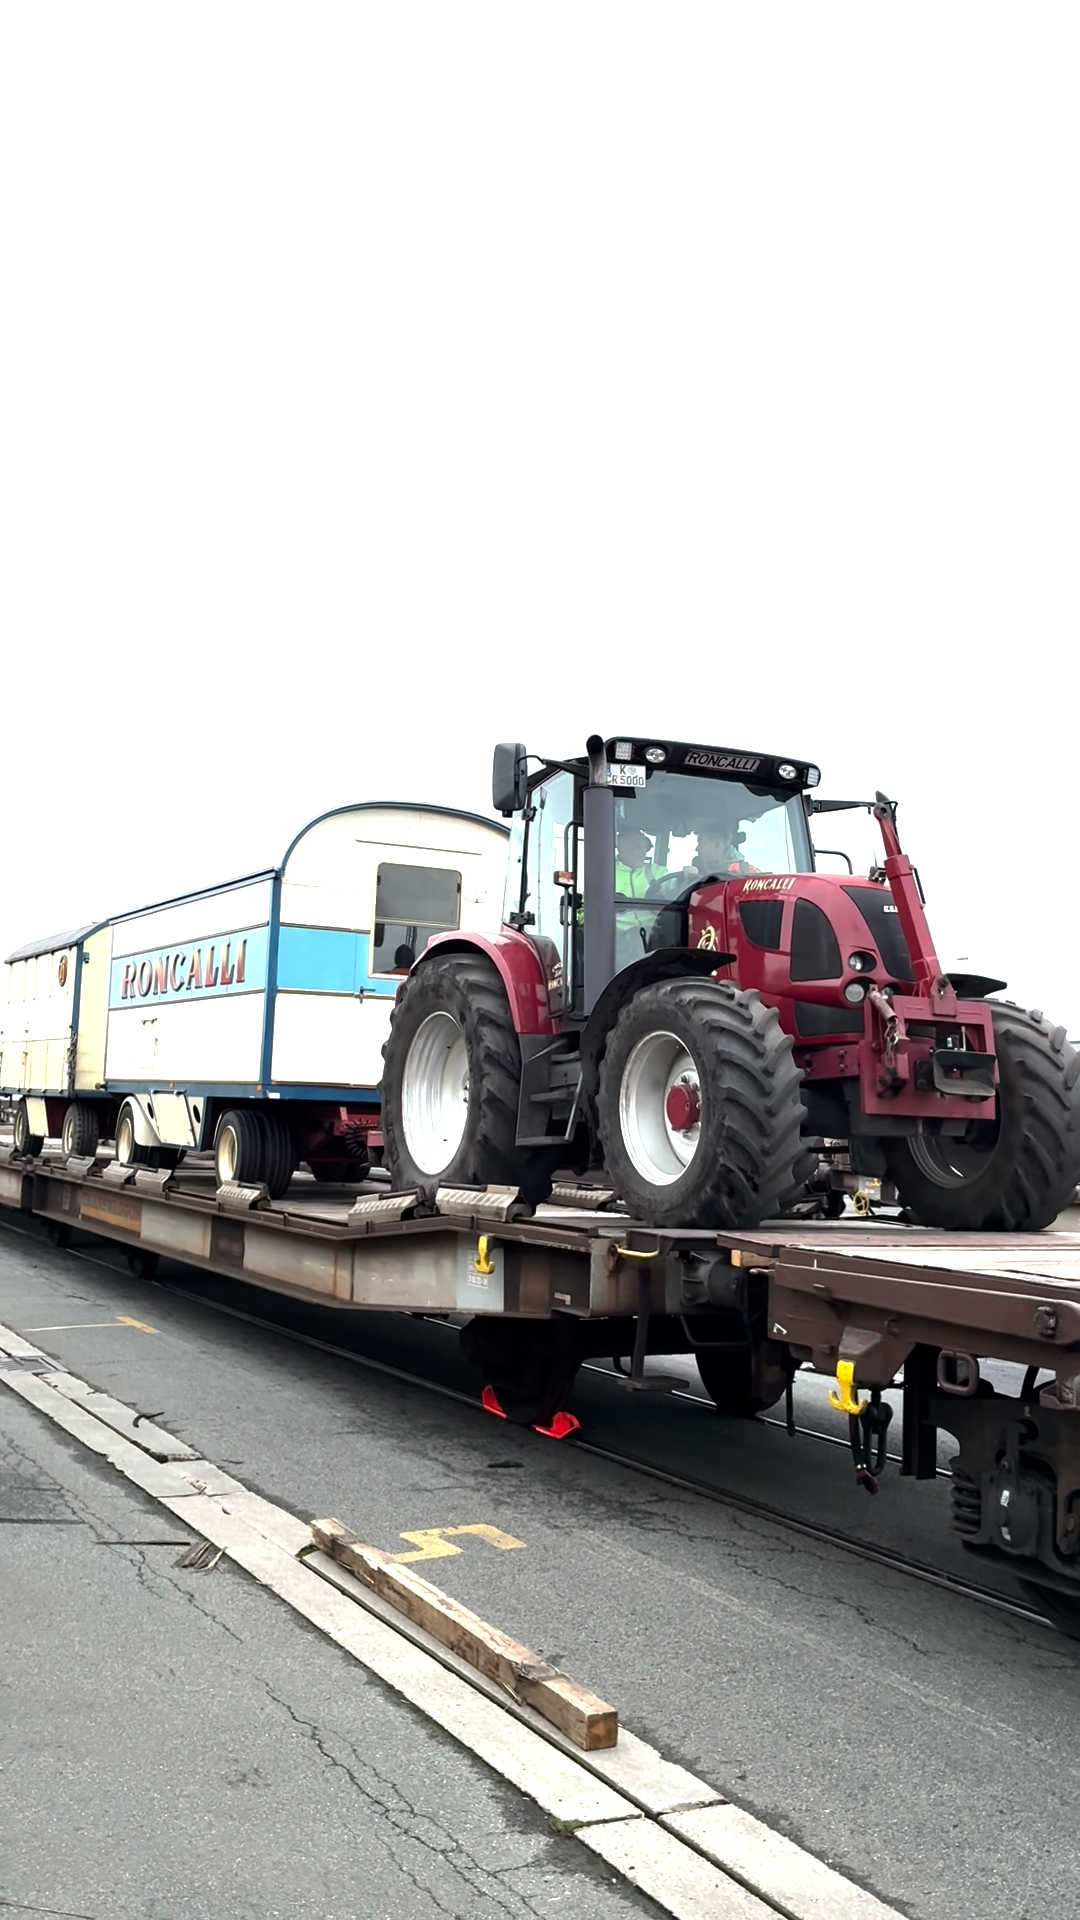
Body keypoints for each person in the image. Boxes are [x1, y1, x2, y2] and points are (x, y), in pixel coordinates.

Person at [614, 828, 667, 899]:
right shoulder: (606, 872)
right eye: (636, 845)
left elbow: (673, 884)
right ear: (620, 848)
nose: (643, 851)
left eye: (645, 847)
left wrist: (681, 880)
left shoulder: (656, 872)